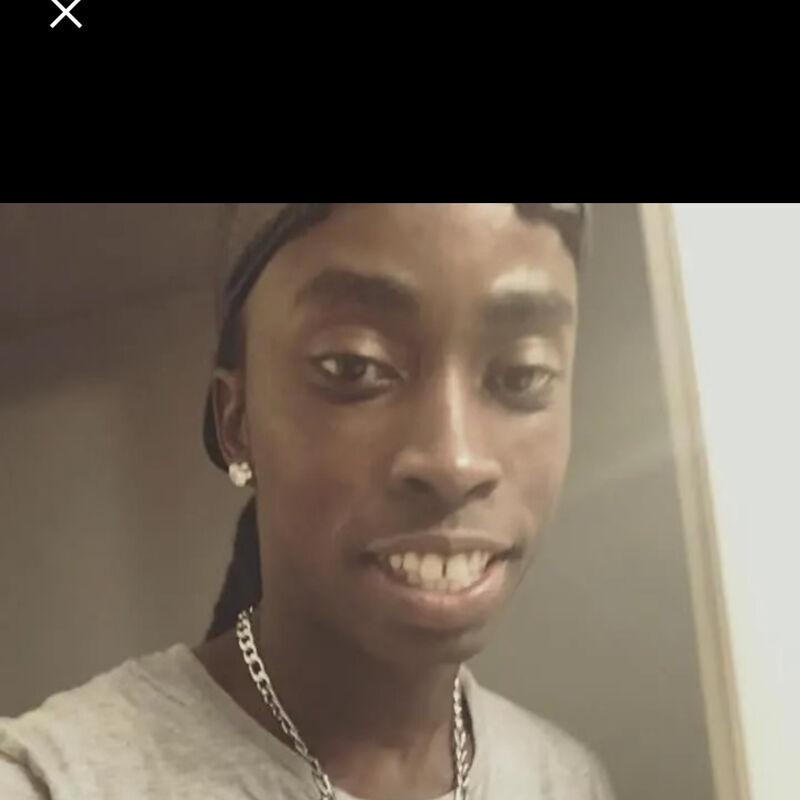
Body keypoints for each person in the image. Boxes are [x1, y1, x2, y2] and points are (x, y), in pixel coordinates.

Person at [0, 204, 615, 799]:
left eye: (523, 375)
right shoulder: (51, 783)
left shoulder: (565, 781)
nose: (454, 462)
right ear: (236, 421)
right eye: (353, 366)